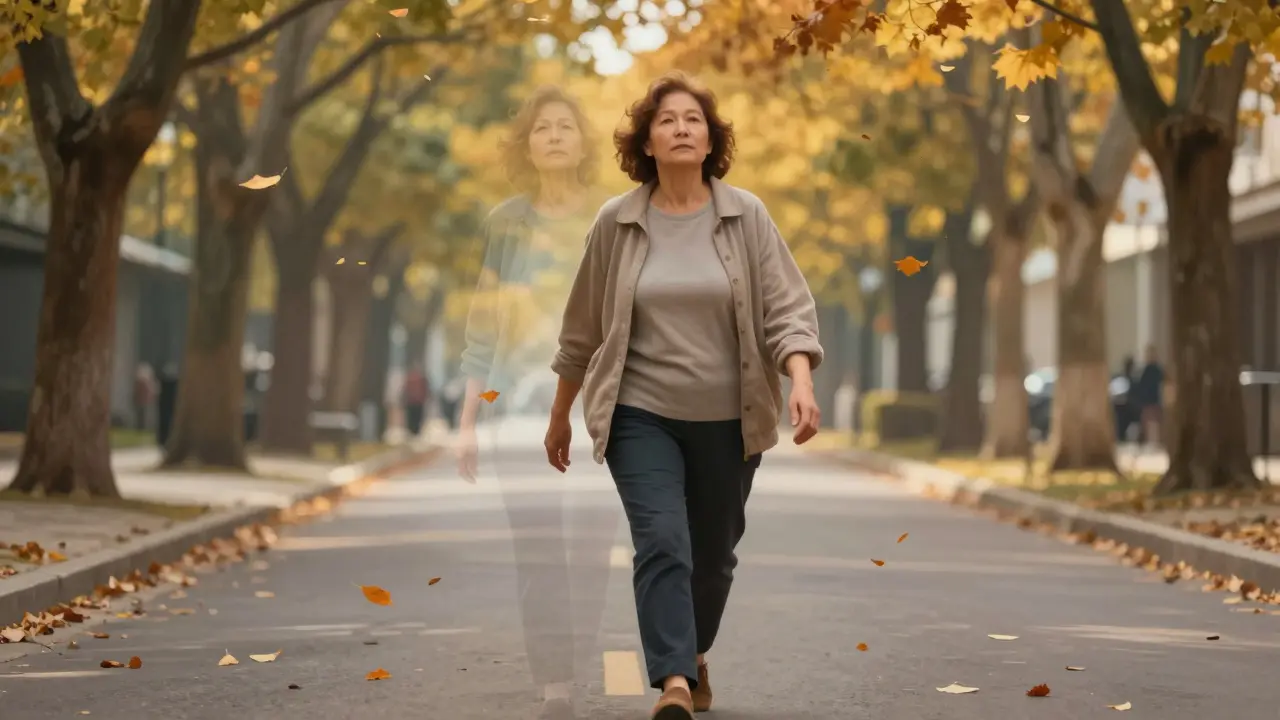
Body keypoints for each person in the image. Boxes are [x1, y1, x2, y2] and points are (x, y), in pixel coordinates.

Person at [544, 71, 823, 720]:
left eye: (693, 119)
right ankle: (673, 679)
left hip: (729, 418)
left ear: (709, 138)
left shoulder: (745, 215)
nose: (680, 128)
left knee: (714, 556)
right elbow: (581, 329)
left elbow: (787, 307)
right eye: (667, 119)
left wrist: (800, 379)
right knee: (663, 540)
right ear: (646, 140)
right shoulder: (616, 223)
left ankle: (692, 652)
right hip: (641, 414)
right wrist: (561, 415)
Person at [456, 85, 618, 720]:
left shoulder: (613, 217)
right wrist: (468, 422)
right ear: (527, 143)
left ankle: (573, 662)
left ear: (582, 144)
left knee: (587, 552)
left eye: (565, 127)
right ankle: (556, 681)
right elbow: (482, 327)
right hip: (517, 411)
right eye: (542, 127)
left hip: (599, 412)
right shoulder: (505, 223)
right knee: (538, 550)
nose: (553, 135)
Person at [1135, 344, 1165, 448]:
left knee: (1156, 421)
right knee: (1147, 422)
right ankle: (1148, 441)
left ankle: (1157, 442)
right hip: (1148, 401)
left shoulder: (1157, 370)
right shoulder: (1147, 370)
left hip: (1154, 400)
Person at [402, 363, 429, 437]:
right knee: (417, 417)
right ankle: (415, 431)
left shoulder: (409, 378)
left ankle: (412, 431)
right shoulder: (421, 378)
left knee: (412, 417)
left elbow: (405, 389)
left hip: (411, 401)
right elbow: (425, 389)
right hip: (418, 401)